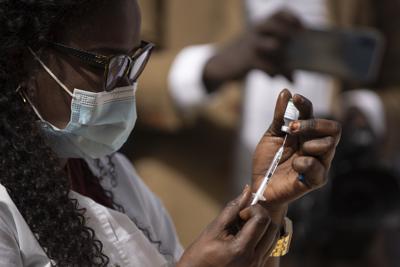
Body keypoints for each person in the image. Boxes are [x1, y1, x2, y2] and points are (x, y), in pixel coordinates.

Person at [0, 1, 341, 266]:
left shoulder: (113, 176)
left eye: (132, 62)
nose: (124, 86)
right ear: (22, 59)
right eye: (104, 63)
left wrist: (268, 202)